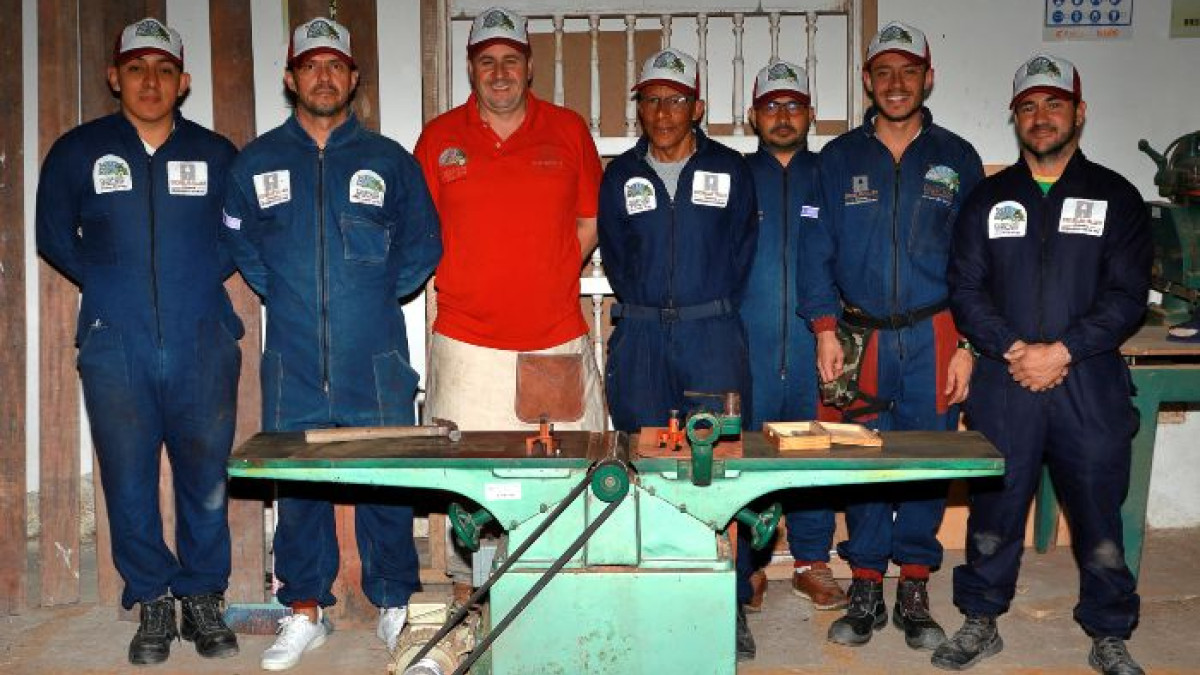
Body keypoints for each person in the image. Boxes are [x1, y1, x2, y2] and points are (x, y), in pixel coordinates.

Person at [220, 17, 441, 671]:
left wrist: (373, 296)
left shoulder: (389, 161)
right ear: (291, 78)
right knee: (298, 484)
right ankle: (305, 610)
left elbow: (423, 242)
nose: (324, 76)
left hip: (373, 354)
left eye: (335, 65)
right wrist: (283, 290)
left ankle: (394, 602)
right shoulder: (257, 162)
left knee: (384, 479)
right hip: (292, 353)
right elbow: (238, 237)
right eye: (311, 65)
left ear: (353, 77)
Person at [934, 54, 1150, 675]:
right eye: (1028, 106)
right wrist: (1013, 348)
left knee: (1099, 513)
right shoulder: (988, 199)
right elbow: (965, 288)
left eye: (1054, 104)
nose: (1041, 116)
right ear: (1015, 118)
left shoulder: (1116, 196)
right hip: (1006, 381)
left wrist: (1062, 350)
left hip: (1089, 380)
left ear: (1079, 113)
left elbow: (1127, 295)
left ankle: (1109, 631)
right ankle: (981, 620)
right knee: (994, 511)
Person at [36, 17, 241, 666]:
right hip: (114, 341)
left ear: (183, 82)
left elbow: (239, 233)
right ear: (114, 77)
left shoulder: (215, 154)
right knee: (127, 477)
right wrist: (108, 286)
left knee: (205, 476)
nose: (150, 82)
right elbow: (52, 234)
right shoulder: (79, 151)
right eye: (135, 69)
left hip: (201, 338)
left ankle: (202, 595)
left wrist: (194, 282)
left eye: (163, 70)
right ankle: (152, 596)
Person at [798, 21, 984, 651]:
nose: (896, 83)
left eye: (908, 71)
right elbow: (815, 249)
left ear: (928, 78)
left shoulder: (958, 158)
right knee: (863, 461)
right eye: (884, 72)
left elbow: (978, 260)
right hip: (860, 335)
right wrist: (824, 328)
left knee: (928, 459)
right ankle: (866, 583)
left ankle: (915, 585)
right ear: (867, 81)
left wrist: (969, 344)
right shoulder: (838, 159)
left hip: (936, 333)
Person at [413, 6, 606, 601]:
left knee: (568, 473)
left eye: (511, 60)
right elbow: (421, 231)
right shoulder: (439, 138)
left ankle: (562, 585)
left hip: (554, 336)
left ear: (529, 66)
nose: (500, 73)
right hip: (466, 345)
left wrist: (550, 271)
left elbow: (590, 220)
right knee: (469, 482)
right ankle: (470, 594)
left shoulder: (568, 130)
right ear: (471, 68)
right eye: (487, 61)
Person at [598, 47, 758, 660]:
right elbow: (616, 255)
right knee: (642, 466)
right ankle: (651, 593)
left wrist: (701, 306)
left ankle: (728, 601)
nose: (663, 112)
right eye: (651, 100)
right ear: (638, 108)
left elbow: (742, 250)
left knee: (721, 469)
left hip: (710, 334)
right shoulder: (621, 176)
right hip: (640, 337)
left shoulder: (730, 169)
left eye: (675, 100)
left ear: (698, 107)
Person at [738, 61, 847, 616]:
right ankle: (750, 566)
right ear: (752, 115)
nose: (782, 116)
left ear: (811, 114)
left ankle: (811, 562)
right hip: (748, 341)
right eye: (771, 106)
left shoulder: (833, 174)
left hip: (814, 344)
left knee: (813, 452)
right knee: (748, 454)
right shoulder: (733, 175)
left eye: (794, 106)